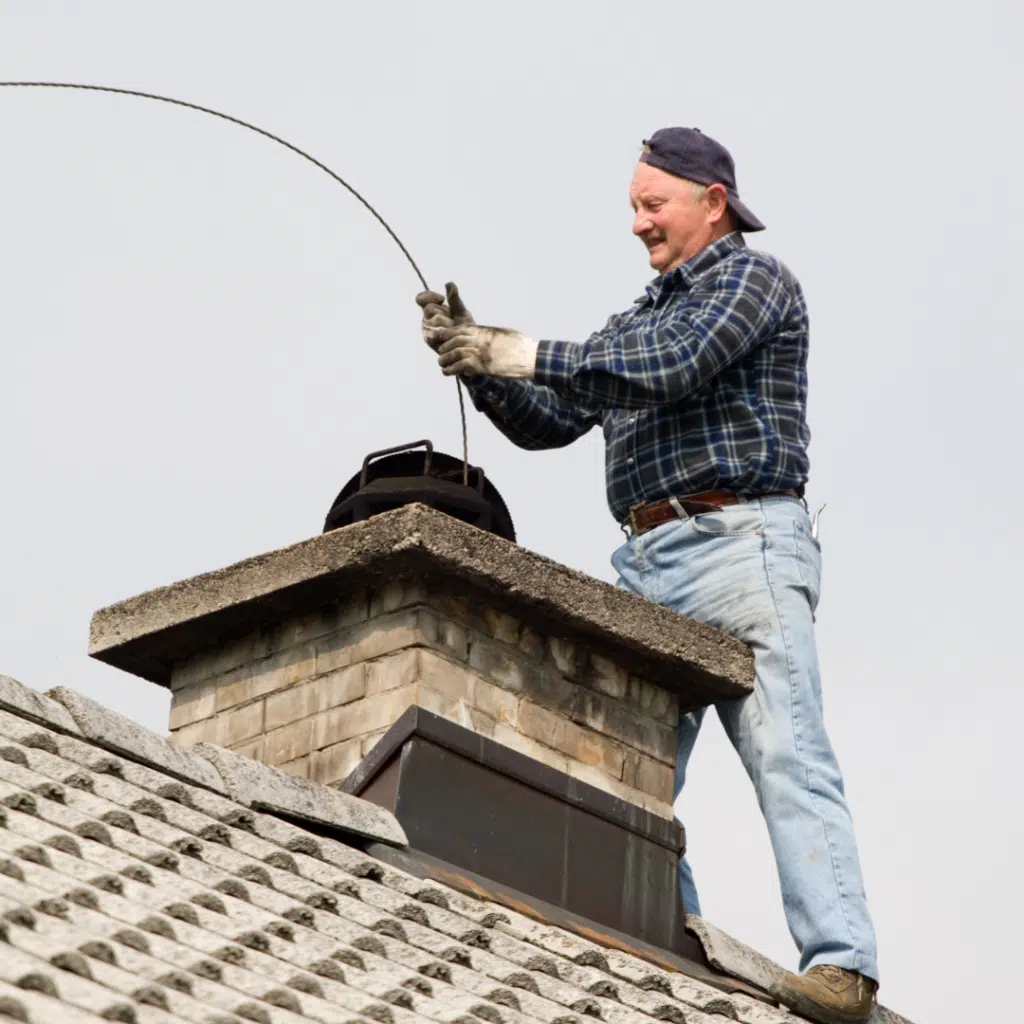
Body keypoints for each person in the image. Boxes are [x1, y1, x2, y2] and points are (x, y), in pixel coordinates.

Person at [416, 127, 878, 1024]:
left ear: (712, 202)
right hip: (648, 561)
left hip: (741, 547)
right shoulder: (634, 318)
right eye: (633, 206)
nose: (637, 224)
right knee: (624, 769)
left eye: (651, 204)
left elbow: (670, 370)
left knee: (787, 754)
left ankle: (844, 966)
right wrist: (477, 365)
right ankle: (675, 932)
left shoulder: (753, 281)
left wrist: (513, 348)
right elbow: (554, 417)